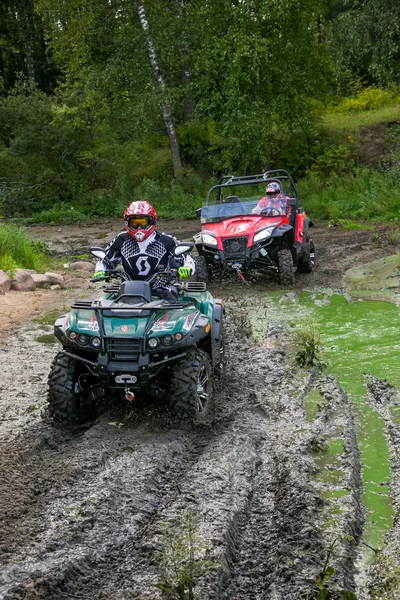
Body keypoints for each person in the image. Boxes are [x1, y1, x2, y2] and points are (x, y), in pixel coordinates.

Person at [94, 200, 196, 302]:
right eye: (134, 223)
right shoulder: (121, 239)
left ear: (152, 221)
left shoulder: (166, 240)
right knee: (105, 308)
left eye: (143, 222)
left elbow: (187, 257)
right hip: (129, 290)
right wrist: (100, 270)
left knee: (175, 310)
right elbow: (106, 259)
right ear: (127, 223)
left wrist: (187, 267)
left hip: (161, 289)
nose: (139, 227)